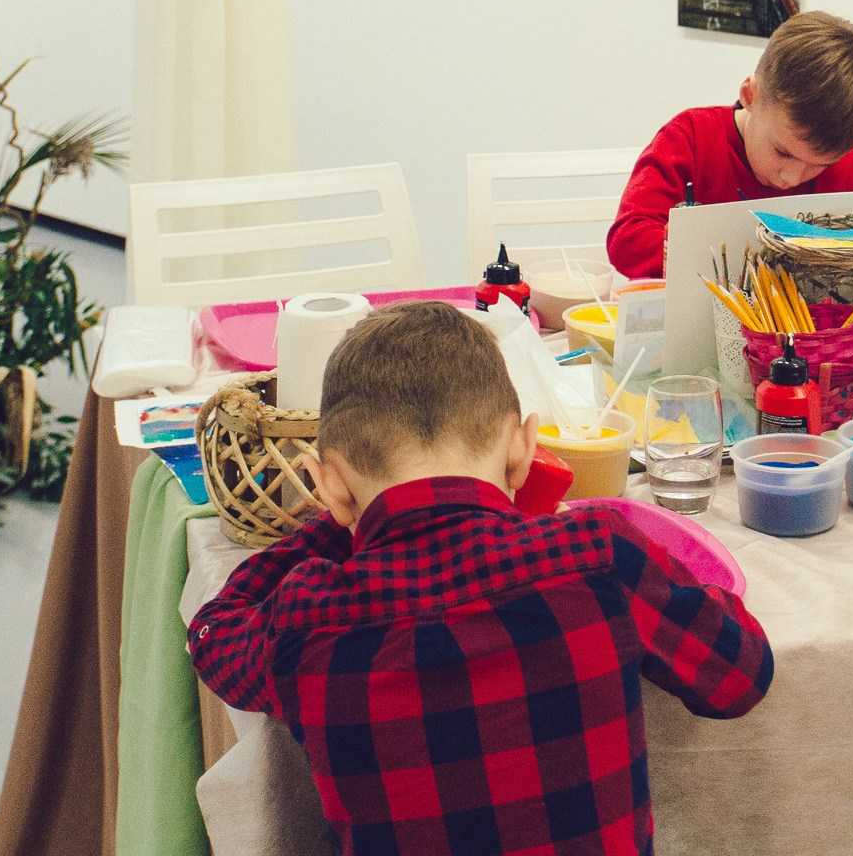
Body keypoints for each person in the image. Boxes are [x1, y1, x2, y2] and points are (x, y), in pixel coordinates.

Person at [191, 302, 773, 856]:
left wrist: (338, 521)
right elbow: (740, 675)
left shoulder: (305, 615)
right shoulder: (600, 553)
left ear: (329, 483)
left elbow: (213, 633)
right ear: (524, 446)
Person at [609, 10, 853, 279]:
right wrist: (691, 249)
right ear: (750, 95)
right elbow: (626, 240)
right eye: (783, 152)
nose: (791, 178)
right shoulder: (689, 139)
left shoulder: (842, 168)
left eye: (819, 166)